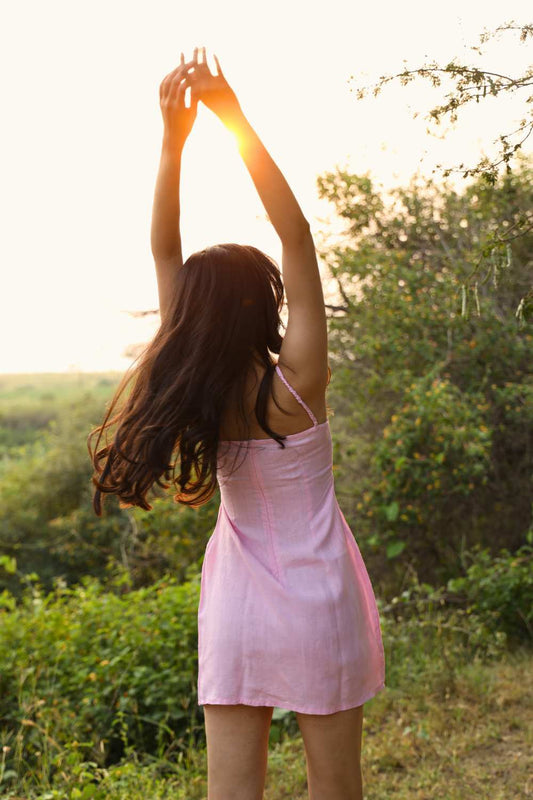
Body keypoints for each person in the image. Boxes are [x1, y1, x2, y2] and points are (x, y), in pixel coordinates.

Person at [89, 46, 385, 800]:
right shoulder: (298, 385)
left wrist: (172, 138)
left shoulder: (199, 392)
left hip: (237, 606)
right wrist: (232, 117)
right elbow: (297, 236)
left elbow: (163, 248)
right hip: (317, 597)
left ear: (192, 314)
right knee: (335, 789)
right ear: (265, 303)